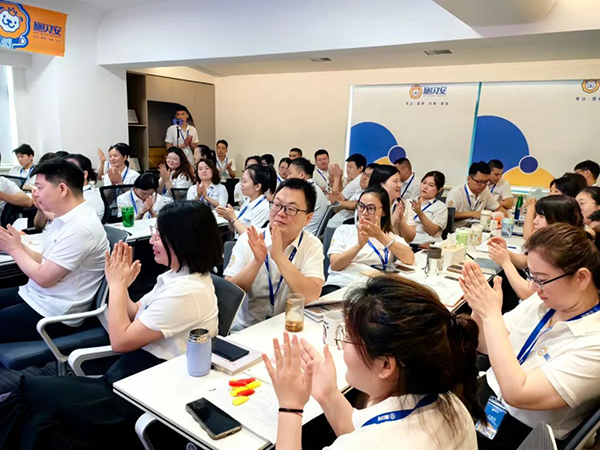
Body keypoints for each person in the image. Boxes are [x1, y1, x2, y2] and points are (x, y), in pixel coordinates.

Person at [0, 201, 221, 449]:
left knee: (35, 401)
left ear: (182, 241)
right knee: (31, 398)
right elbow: (135, 311)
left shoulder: (187, 292)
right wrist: (121, 286)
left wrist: (116, 287)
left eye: (159, 236)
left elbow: (120, 341)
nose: (151, 240)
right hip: (129, 373)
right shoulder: (176, 276)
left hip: (143, 389)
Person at [264, 275, 483, 449]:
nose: (343, 346)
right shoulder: (451, 404)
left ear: (386, 365)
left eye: (348, 338)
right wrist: (327, 393)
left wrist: (290, 407)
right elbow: (367, 434)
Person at [460, 224, 600, 449]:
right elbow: (485, 345)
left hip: (523, 432)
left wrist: (491, 315)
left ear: (581, 278)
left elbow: (518, 393)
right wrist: (479, 307)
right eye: (531, 276)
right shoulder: (544, 302)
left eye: (542, 279)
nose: (534, 287)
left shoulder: (594, 342)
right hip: (489, 396)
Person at [0, 159, 108, 344]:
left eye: (39, 187)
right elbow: (45, 260)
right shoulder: (63, 218)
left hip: (53, 312)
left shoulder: (81, 227)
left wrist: (13, 248)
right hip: (35, 296)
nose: (34, 193)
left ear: (62, 189)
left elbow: (44, 278)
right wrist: (18, 245)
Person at [224, 178, 324, 330]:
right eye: (277, 205)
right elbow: (228, 296)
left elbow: (311, 296)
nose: (281, 213)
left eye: (291, 209)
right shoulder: (249, 239)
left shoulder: (312, 244)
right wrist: (256, 262)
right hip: (246, 329)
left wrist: (279, 257)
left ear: (308, 218)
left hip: (289, 328)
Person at [323, 187, 415, 295]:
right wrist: (358, 245)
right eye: (361, 206)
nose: (364, 213)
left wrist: (380, 236)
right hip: (341, 285)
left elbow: (410, 258)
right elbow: (335, 265)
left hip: (371, 290)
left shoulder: (389, 237)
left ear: (384, 211)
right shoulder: (344, 230)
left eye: (371, 208)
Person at [490, 195, 584, 300]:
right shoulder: (554, 239)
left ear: (558, 219)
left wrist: (505, 262)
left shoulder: (562, 249)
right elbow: (525, 261)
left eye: (541, 217)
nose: (535, 221)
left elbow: (528, 294)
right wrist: (503, 252)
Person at [216, 164, 275, 237]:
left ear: (257, 186)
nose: (241, 184)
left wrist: (233, 218)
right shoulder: (248, 201)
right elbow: (233, 230)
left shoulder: (263, 208)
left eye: (244, 181)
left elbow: (251, 236)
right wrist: (229, 219)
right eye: (241, 180)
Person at [446, 161, 507, 228]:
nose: (483, 185)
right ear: (469, 179)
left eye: (486, 182)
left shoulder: (485, 192)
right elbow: (449, 215)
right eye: (479, 182)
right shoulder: (456, 192)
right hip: (457, 230)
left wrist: (500, 216)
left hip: (477, 229)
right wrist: (472, 214)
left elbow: (499, 208)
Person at [369, 165, 416, 243]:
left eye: (400, 181)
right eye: (395, 181)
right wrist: (393, 221)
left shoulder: (404, 204)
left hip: (397, 247)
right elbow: (373, 234)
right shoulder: (369, 204)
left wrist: (401, 220)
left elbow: (410, 238)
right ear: (381, 184)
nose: (400, 185)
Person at [326, 163, 378, 229]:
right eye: (364, 174)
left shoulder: (370, 195)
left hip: (340, 227)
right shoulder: (358, 191)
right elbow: (338, 206)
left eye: (369, 176)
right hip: (333, 224)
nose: (364, 178)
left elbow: (355, 204)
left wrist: (338, 202)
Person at [287, 157, 328, 235]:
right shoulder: (313, 188)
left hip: (302, 235)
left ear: (301, 175)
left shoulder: (306, 192)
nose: (288, 177)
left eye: (290, 173)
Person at [409, 171, 448, 245]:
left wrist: (419, 213)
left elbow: (432, 231)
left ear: (439, 189)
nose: (425, 187)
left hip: (427, 244)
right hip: (407, 242)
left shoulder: (441, 207)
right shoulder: (409, 202)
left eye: (431, 185)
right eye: (424, 183)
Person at [66, 153, 104, 221]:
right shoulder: (73, 194)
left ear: (84, 174)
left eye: (69, 171)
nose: (63, 175)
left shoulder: (89, 199)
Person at [0, 152, 32, 216]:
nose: (20, 159)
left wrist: (2, 195)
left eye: (22, 156)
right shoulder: (14, 169)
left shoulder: (3, 182)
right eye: (18, 157)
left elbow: (28, 201)